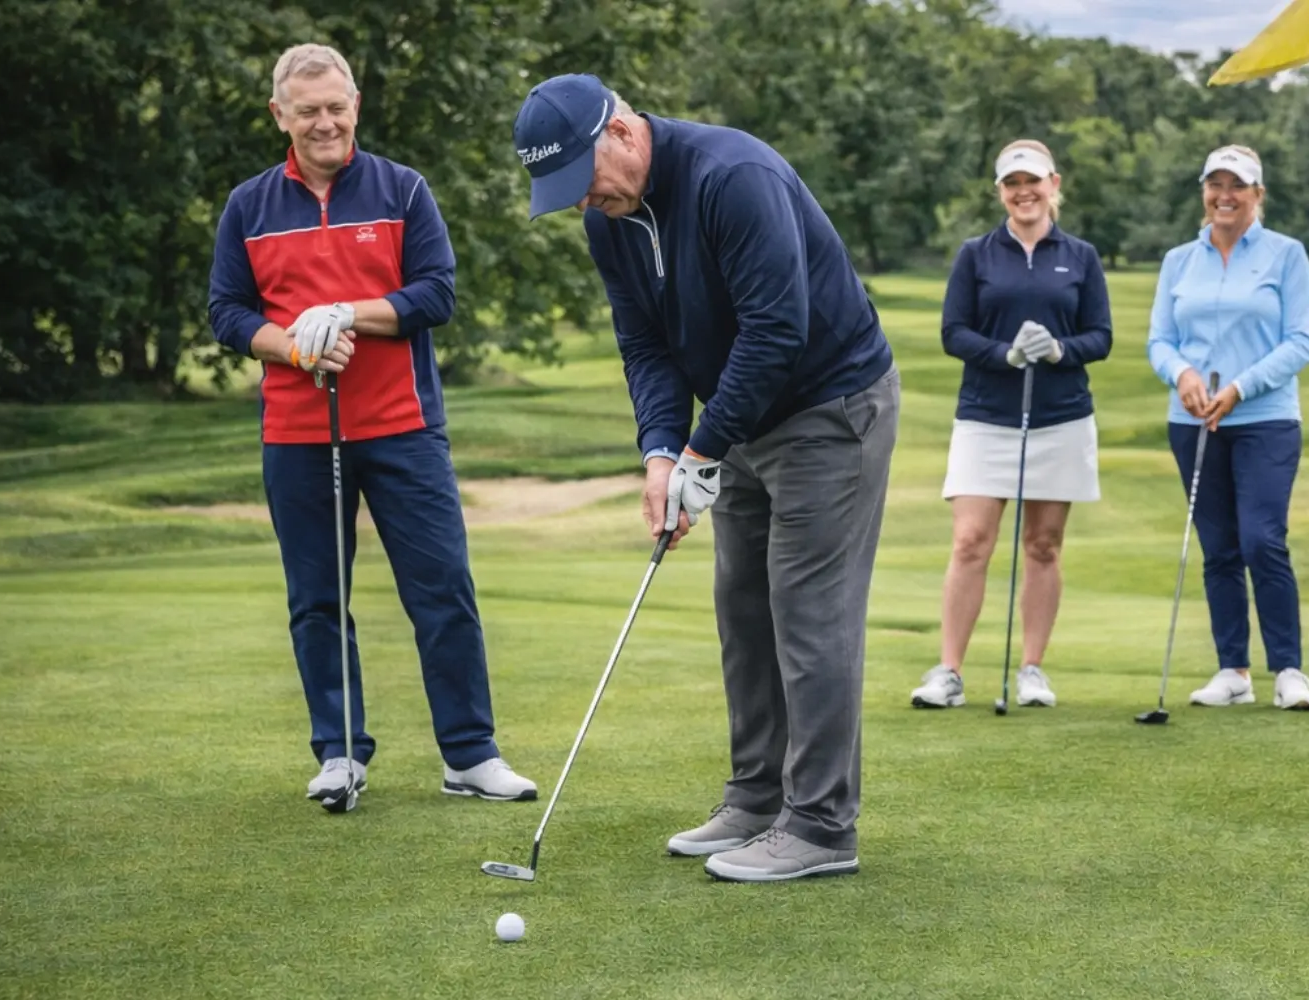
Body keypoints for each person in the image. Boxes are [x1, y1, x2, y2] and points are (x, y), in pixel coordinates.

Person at [512, 73, 899, 883]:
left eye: (582, 179)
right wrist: (662, 451)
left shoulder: (732, 176)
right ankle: (758, 798)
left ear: (622, 132)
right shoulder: (609, 220)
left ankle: (821, 825)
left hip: (829, 407)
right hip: (744, 415)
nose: (582, 201)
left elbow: (777, 329)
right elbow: (644, 344)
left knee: (809, 613)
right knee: (743, 608)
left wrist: (702, 448)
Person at [207, 43, 537, 810]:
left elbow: (436, 294)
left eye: (336, 107)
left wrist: (346, 313)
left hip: (403, 428)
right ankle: (340, 753)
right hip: (297, 434)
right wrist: (295, 345)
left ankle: (470, 756)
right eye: (308, 111)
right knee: (317, 599)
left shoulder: (402, 189)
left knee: (442, 590)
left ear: (355, 106)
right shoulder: (249, 206)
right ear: (280, 115)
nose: (325, 123)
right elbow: (227, 313)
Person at [909, 140, 1112, 711]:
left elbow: (1100, 336)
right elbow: (954, 332)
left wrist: (1059, 351)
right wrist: (1004, 355)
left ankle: (1032, 669)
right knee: (970, 541)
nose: (1024, 192)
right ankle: (949, 671)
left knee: (1043, 545)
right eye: (1012, 183)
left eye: (1033, 181)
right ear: (1000, 191)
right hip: (986, 415)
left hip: (1061, 416)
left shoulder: (1080, 256)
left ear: (1053, 184)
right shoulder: (976, 254)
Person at [1145, 144, 1309, 713]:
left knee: (1262, 540)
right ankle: (1233, 671)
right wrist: (1182, 374)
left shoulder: (1286, 255)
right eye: (1215, 184)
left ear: (1257, 194)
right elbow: (1160, 341)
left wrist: (1240, 387)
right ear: (1204, 191)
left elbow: (1301, 342)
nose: (1224, 195)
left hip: (1265, 419)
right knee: (1219, 548)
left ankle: (1289, 669)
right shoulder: (1179, 261)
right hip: (1193, 420)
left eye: (1237, 186)